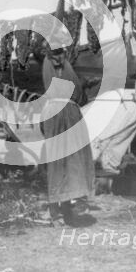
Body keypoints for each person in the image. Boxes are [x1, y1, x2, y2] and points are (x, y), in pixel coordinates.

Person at [40, 49, 95, 222]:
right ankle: (58, 209)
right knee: (66, 161)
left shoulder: (60, 67)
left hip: (62, 112)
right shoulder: (54, 64)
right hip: (63, 113)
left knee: (65, 162)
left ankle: (62, 208)